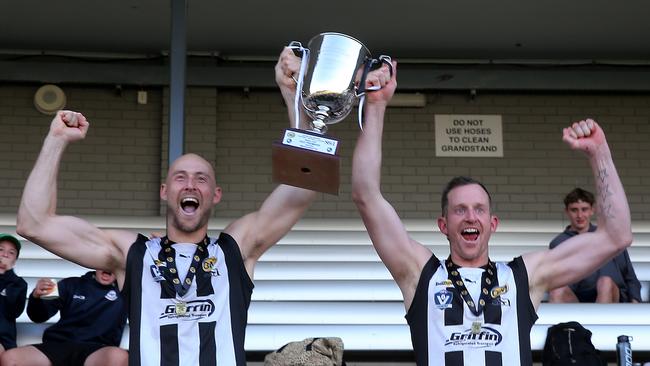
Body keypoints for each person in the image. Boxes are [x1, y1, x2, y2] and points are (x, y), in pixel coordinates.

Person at [16, 47, 317, 366]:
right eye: (180, 177)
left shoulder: (234, 249)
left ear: (215, 194)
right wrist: (56, 139)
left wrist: (293, 96)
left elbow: (304, 186)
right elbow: (33, 224)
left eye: (201, 179)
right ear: (164, 191)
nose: (190, 185)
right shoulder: (131, 252)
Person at [350, 63, 633, 365]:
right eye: (460, 210)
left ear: (492, 223)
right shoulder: (421, 274)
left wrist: (599, 153)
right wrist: (376, 106)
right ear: (443, 225)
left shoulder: (523, 277)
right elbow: (366, 195)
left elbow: (617, 236)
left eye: (479, 209)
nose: (470, 216)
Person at [0, 270, 128, 366]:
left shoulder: (128, 293)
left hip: (97, 351)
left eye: (112, 263)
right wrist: (36, 297)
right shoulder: (71, 283)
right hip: (58, 346)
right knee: (10, 358)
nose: (107, 267)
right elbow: (38, 317)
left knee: (119, 357)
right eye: (103, 261)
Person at [548, 188, 641, 303]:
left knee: (605, 282)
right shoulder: (558, 243)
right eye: (574, 210)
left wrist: (635, 299)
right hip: (576, 297)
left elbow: (629, 275)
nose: (580, 215)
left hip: (611, 293)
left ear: (592, 210)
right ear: (566, 211)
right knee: (557, 290)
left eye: (584, 209)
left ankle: (601, 320)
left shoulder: (610, 238)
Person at [0, 233, 27, 355]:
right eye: (0, 249)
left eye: (11, 253)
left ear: (14, 261)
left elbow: (13, 312)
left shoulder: (19, 284)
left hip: (5, 340)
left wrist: (7, 274)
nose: (5, 255)